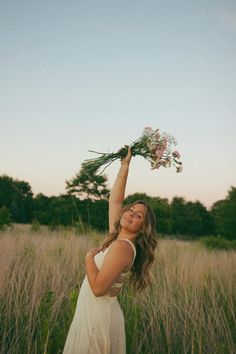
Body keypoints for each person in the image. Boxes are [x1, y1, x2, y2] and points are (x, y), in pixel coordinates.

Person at [63, 147, 157, 354]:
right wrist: (124, 166)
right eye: (131, 209)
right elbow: (114, 201)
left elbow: (98, 289)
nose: (131, 214)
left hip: (97, 319)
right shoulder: (115, 239)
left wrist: (88, 259)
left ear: (143, 228)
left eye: (139, 216)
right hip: (94, 315)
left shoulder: (122, 248)